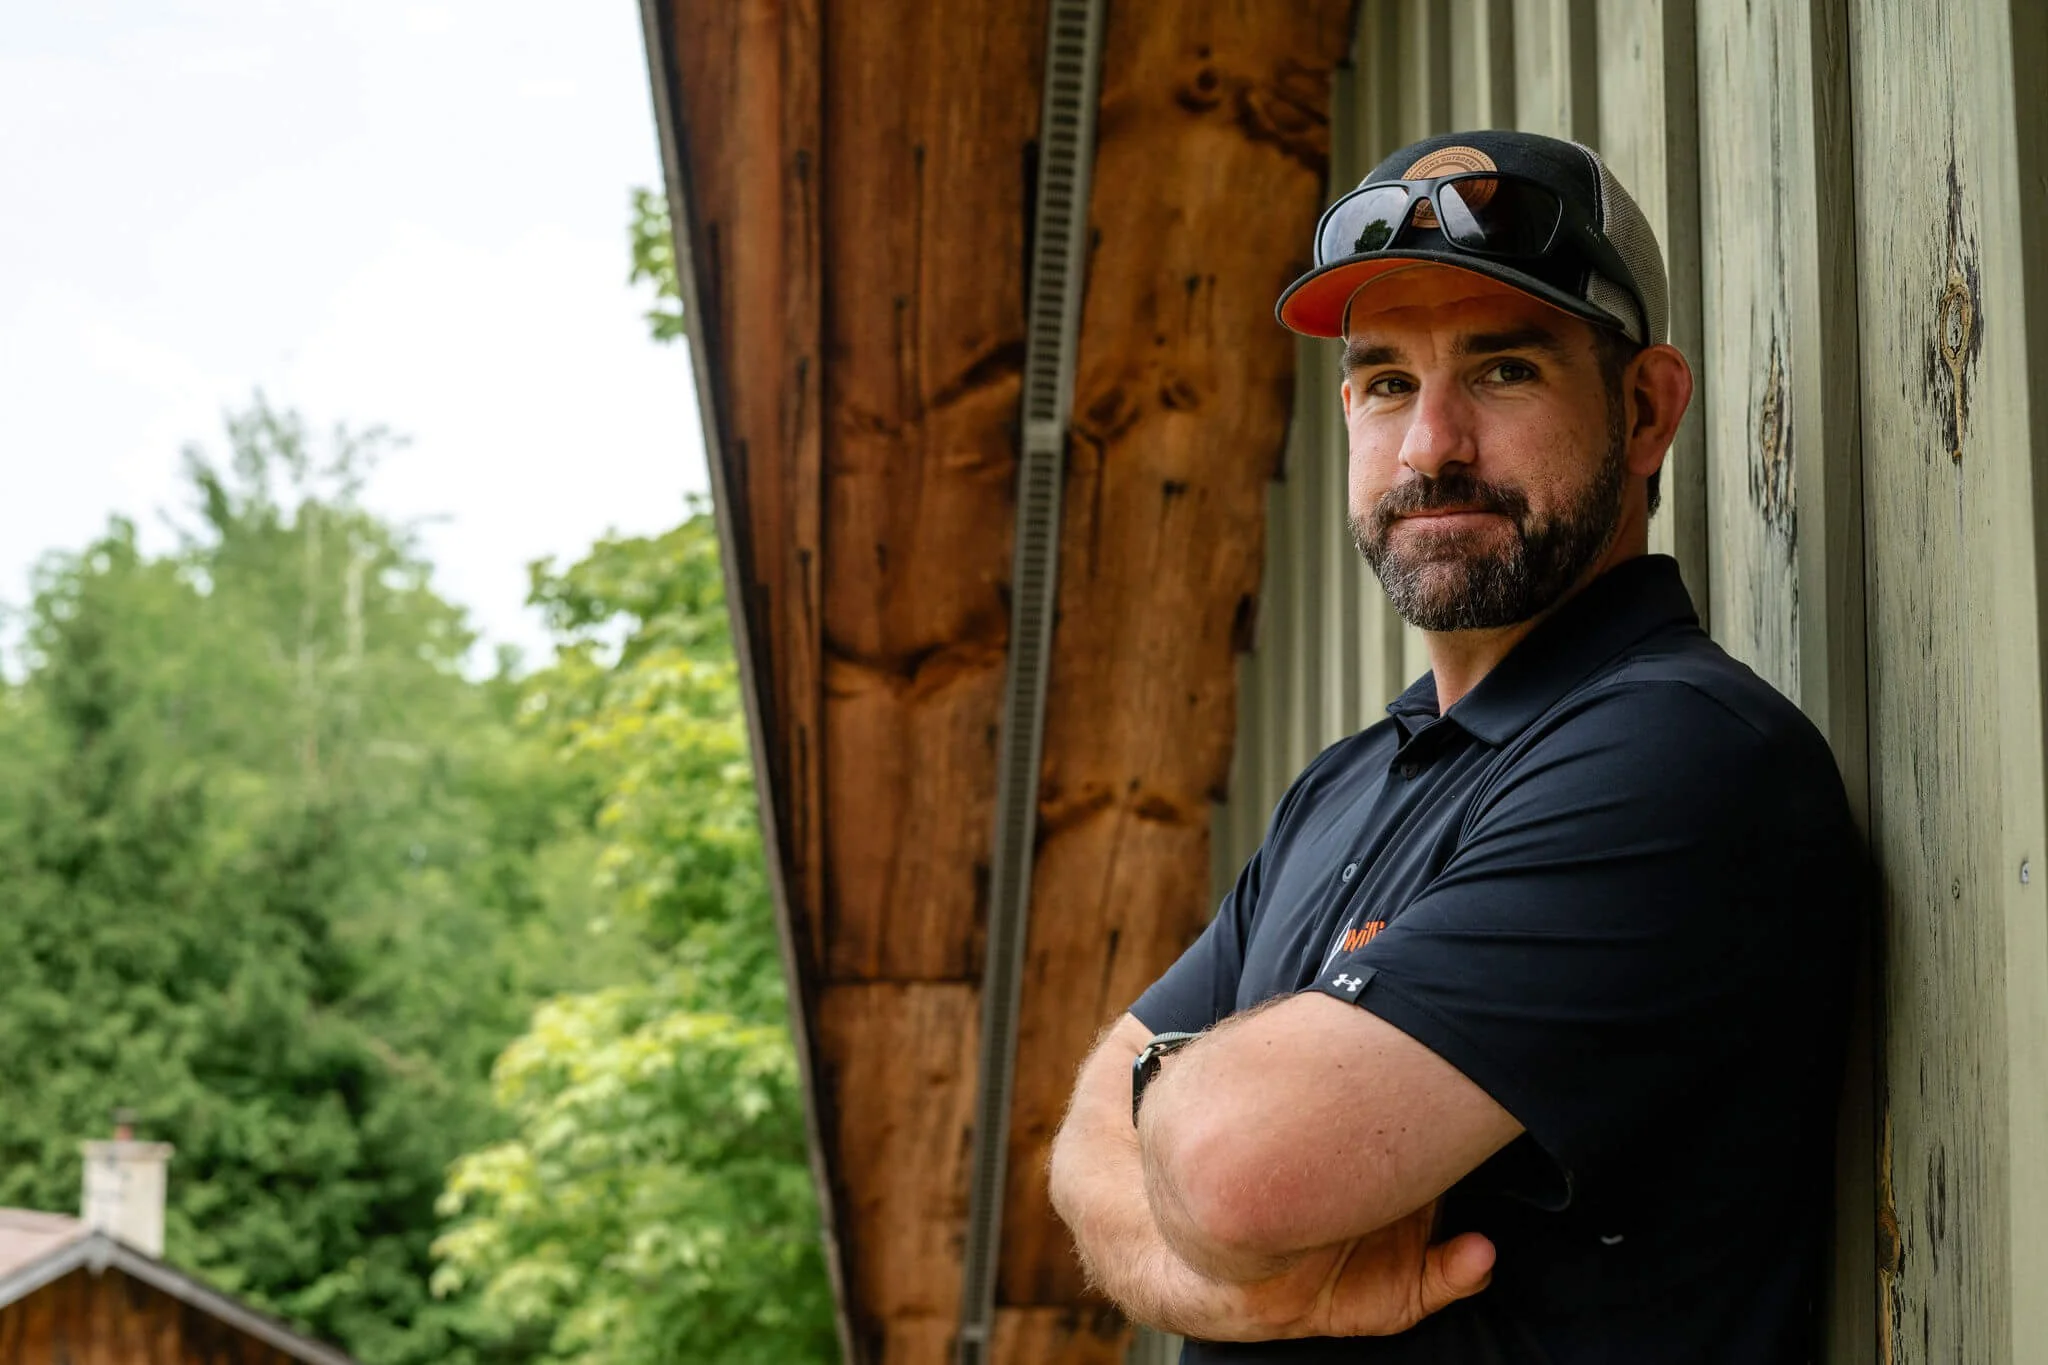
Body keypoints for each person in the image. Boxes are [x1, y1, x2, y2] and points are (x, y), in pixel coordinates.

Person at [1046, 129, 1859, 1363]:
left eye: (1502, 371)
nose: (1429, 446)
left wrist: (1176, 1101)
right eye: (1384, 382)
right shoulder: (1346, 784)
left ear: (1644, 410)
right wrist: (1217, 1286)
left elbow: (1230, 1172)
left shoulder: (1683, 754)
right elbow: (1077, 1152)